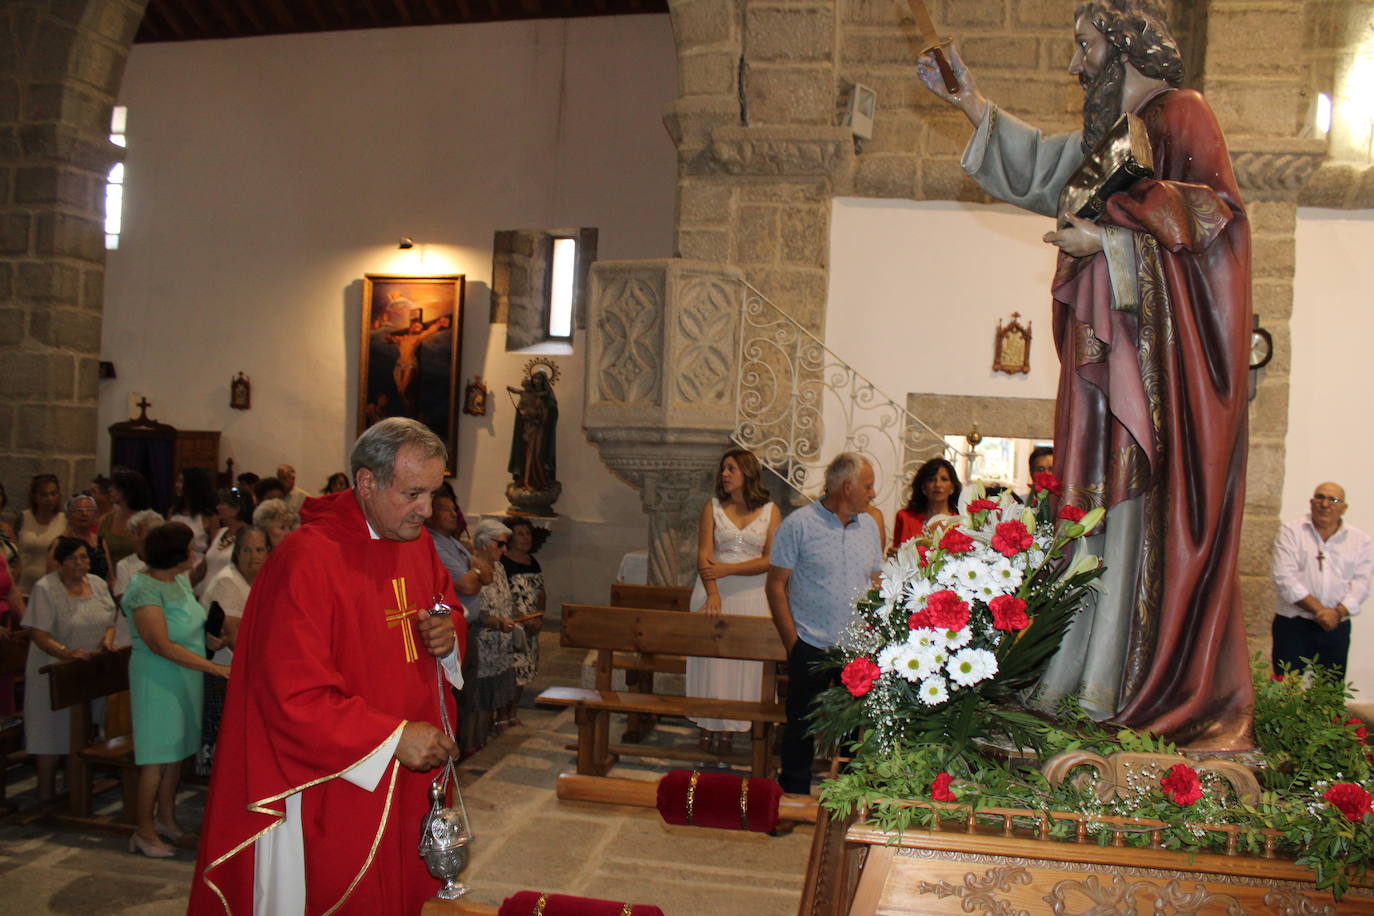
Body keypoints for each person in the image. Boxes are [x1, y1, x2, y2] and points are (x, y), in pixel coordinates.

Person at [917, 0, 1253, 748]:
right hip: (1108, 361)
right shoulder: (1114, 137)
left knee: (1130, 511)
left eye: (1086, 46)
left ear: (1128, 46)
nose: (1075, 64)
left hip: (1155, 376)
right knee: (1091, 505)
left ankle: (1113, 684)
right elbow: (1048, 167)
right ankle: (1078, 674)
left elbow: (1215, 222)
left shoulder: (1180, 115)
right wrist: (968, 99)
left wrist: (1107, 243)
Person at [189, 418, 463, 915]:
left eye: (433, 492)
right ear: (366, 482)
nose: (427, 509)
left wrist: (447, 636)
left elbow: (444, 605)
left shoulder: (416, 542)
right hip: (329, 779)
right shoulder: (307, 559)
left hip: (408, 767)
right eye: (413, 493)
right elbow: (290, 695)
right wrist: (392, 737)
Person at [766, 452, 882, 795]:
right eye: (868, 485)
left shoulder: (871, 526)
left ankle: (846, 801)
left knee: (853, 730)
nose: (873, 493)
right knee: (801, 725)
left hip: (857, 648)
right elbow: (775, 585)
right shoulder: (798, 525)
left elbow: (876, 578)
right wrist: (793, 643)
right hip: (811, 643)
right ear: (847, 487)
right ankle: (793, 796)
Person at [122, 522, 228, 857]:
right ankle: (144, 830)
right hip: (158, 680)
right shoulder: (143, 589)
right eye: (189, 548)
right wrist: (214, 667)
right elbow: (160, 644)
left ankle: (167, 820)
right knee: (156, 758)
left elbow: (189, 624)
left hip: (185, 676)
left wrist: (210, 640)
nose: (194, 553)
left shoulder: (178, 581)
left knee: (176, 755)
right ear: (174, 554)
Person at [687, 449, 780, 755]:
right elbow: (704, 554)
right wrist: (713, 591)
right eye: (723, 469)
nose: (724, 474)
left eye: (731, 469)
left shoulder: (770, 511)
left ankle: (730, 728)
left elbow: (770, 559)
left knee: (743, 665)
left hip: (753, 596)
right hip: (715, 593)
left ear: (748, 473)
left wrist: (729, 569)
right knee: (712, 663)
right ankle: (706, 724)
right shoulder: (711, 508)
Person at [23, 537, 118, 801]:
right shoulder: (45, 588)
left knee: (82, 728)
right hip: (52, 670)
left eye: (84, 557)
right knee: (50, 733)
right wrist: (68, 654)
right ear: (60, 563)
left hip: (87, 672)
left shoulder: (97, 584)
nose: (79, 563)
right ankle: (45, 794)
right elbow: (38, 634)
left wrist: (107, 642)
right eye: (72, 558)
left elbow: (110, 621)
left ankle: (73, 787)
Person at [1271, 483, 1372, 679]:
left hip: (1336, 626)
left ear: (1344, 507)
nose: (1325, 504)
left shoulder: (1360, 540)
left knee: (1329, 691)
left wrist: (1337, 613)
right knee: (1286, 689)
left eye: (1333, 500)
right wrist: (1320, 611)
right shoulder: (1291, 532)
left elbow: (1361, 583)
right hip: (1293, 624)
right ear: (1311, 502)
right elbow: (1283, 577)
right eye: (1320, 497)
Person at [197, 525, 270, 777]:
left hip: (246, 669)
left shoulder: (263, 579)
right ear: (236, 553)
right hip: (221, 673)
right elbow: (236, 639)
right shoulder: (228, 581)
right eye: (247, 550)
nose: (254, 556)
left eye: (259, 549)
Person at [427, 489, 486, 758]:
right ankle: (455, 750)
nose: (453, 514)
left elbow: (488, 572)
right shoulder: (433, 544)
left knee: (468, 692)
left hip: (466, 628)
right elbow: (468, 584)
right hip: (449, 631)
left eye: (454, 509)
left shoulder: (455, 543)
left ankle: (465, 744)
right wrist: (476, 570)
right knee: (457, 692)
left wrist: (477, 571)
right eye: (445, 509)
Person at [502, 517, 548, 724]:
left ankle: (513, 714)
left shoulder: (533, 562)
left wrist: (539, 616)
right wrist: (525, 620)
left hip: (531, 625)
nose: (525, 538)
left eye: (528, 533)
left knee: (524, 672)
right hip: (514, 625)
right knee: (511, 672)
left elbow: (540, 592)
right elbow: (505, 597)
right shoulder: (503, 563)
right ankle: (502, 716)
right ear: (510, 538)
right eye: (520, 534)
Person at [472, 518, 516, 740]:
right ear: (483, 543)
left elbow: (505, 599)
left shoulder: (498, 568)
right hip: (482, 645)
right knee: (480, 700)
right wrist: (496, 622)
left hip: (500, 645)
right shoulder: (471, 568)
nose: (504, 549)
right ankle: (475, 744)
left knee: (494, 698)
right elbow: (470, 609)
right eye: (499, 544)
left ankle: (487, 737)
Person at [891, 457, 961, 553]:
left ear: (952, 487)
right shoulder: (904, 517)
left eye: (944, 479)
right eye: (931, 480)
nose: (938, 484)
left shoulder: (961, 524)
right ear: (923, 487)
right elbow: (896, 554)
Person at [506, 371, 558, 492]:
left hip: (540, 430)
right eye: (534, 378)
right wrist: (524, 414)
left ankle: (540, 481)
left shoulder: (546, 396)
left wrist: (540, 415)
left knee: (537, 453)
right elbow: (521, 407)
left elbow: (550, 412)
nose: (536, 381)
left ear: (544, 381)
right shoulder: (527, 394)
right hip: (527, 429)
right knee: (525, 454)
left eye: (539, 379)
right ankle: (525, 481)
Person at [46, 493, 115, 585]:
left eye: (89, 510)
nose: (84, 514)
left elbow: (110, 577)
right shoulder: (60, 542)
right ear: (69, 516)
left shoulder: (100, 541)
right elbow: (51, 578)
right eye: (78, 510)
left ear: (95, 515)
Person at [16, 473, 65, 597]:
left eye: (53, 494)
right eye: (44, 494)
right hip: (23, 588)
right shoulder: (23, 517)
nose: (49, 499)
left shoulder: (64, 520)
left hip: (51, 590)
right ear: (35, 497)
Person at [198, 488, 250, 598]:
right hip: (208, 596)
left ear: (236, 509)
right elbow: (204, 567)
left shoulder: (249, 536)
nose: (218, 507)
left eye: (222, 504)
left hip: (230, 598)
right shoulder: (220, 532)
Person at [100, 469, 154, 567]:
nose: (110, 490)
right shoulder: (105, 519)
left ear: (129, 492)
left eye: (116, 487)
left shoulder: (147, 521)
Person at [170, 467, 220, 568]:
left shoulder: (209, 517)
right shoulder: (173, 512)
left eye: (181, 481)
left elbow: (215, 550)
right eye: (178, 481)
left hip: (197, 566)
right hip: (172, 565)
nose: (177, 485)